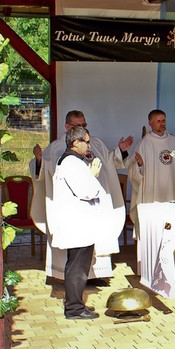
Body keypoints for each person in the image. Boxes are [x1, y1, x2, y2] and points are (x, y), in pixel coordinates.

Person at [30, 110, 133, 281]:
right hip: (74, 208)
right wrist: (40, 160)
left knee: (93, 238)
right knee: (76, 245)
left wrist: (120, 151)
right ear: (67, 126)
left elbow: (111, 162)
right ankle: (71, 280)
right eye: (78, 125)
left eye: (84, 125)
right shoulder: (56, 147)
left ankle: (95, 274)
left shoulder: (95, 143)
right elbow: (44, 172)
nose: (83, 128)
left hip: (95, 205)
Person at [50, 126, 111, 319]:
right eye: (87, 141)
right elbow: (87, 191)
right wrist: (92, 176)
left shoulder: (72, 161)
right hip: (77, 225)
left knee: (78, 266)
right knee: (77, 268)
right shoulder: (71, 163)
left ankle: (76, 304)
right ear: (76, 142)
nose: (89, 145)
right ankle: (74, 309)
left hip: (79, 224)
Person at [128, 109, 175, 227]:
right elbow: (133, 171)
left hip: (172, 189)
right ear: (150, 123)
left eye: (163, 120)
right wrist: (139, 165)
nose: (162, 123)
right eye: (158, 121)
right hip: (153, 192)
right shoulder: (144, 144)